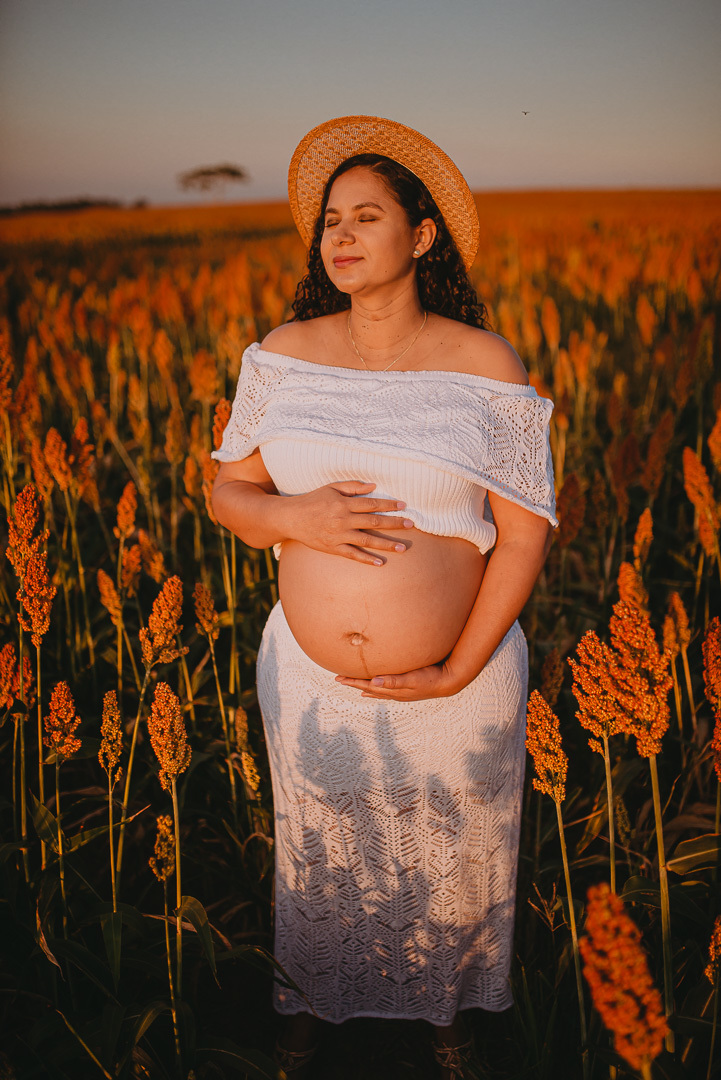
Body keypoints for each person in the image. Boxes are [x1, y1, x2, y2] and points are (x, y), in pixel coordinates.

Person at [211, 115, 558, 1080]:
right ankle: (305, 1021)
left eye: (368, 216)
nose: (343, 236)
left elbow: (523, 531)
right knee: (318, 858)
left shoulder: (485, 365)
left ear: (423, 235)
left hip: (459, 678)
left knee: (451, 866)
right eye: (331, 220)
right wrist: (298, 519)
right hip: (310, 678)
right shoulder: (282, 351)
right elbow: (226, 491)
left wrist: (459, 665)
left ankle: (448, 1028)